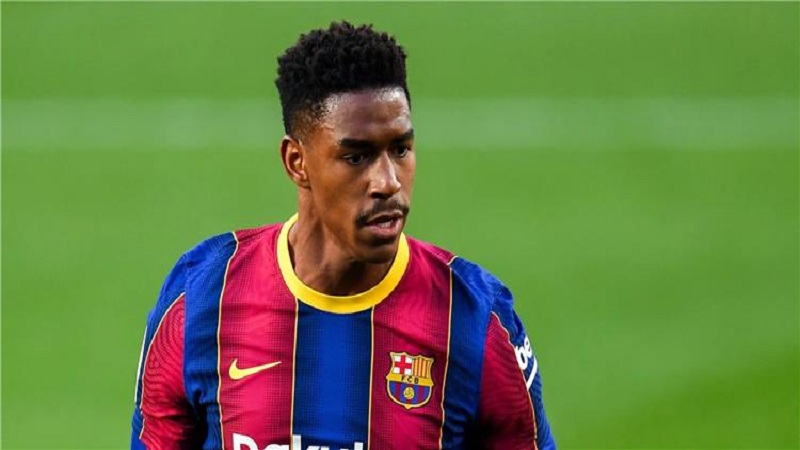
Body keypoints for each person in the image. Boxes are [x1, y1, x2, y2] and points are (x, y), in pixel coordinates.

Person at [131, 21, 556, 450]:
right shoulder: (203, 298)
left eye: (401, 149)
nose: (388, 182)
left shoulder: (474, 318)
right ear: (296, 162)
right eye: (356, 156)